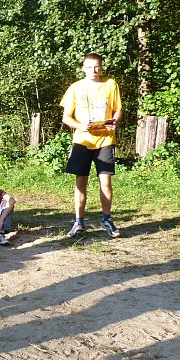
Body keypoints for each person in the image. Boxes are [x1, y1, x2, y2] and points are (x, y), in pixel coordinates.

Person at [61, 52, 123, 238]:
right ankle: (79, 222)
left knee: (106, 181)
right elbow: (66, 117)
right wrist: (81, 126)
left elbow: (118, 109)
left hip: (105, 140)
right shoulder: (75, 88)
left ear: (101, 67)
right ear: (83, 68)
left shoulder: (110, 84)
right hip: (83, 140)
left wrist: (115, 121)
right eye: (89, 67)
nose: (93, 70)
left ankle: (107, 219)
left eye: (96, 66)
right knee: (81, 182)